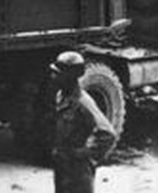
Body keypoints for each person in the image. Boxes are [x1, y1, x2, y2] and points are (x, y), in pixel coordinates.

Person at [50, 51, 117, 193]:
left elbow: (107, 134)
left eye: (58, 73)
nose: (53, 76)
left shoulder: (83, 103)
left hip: (78, 172)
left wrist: (83, 154)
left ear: (71, 76)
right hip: (63, 166)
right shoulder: (61, 96)